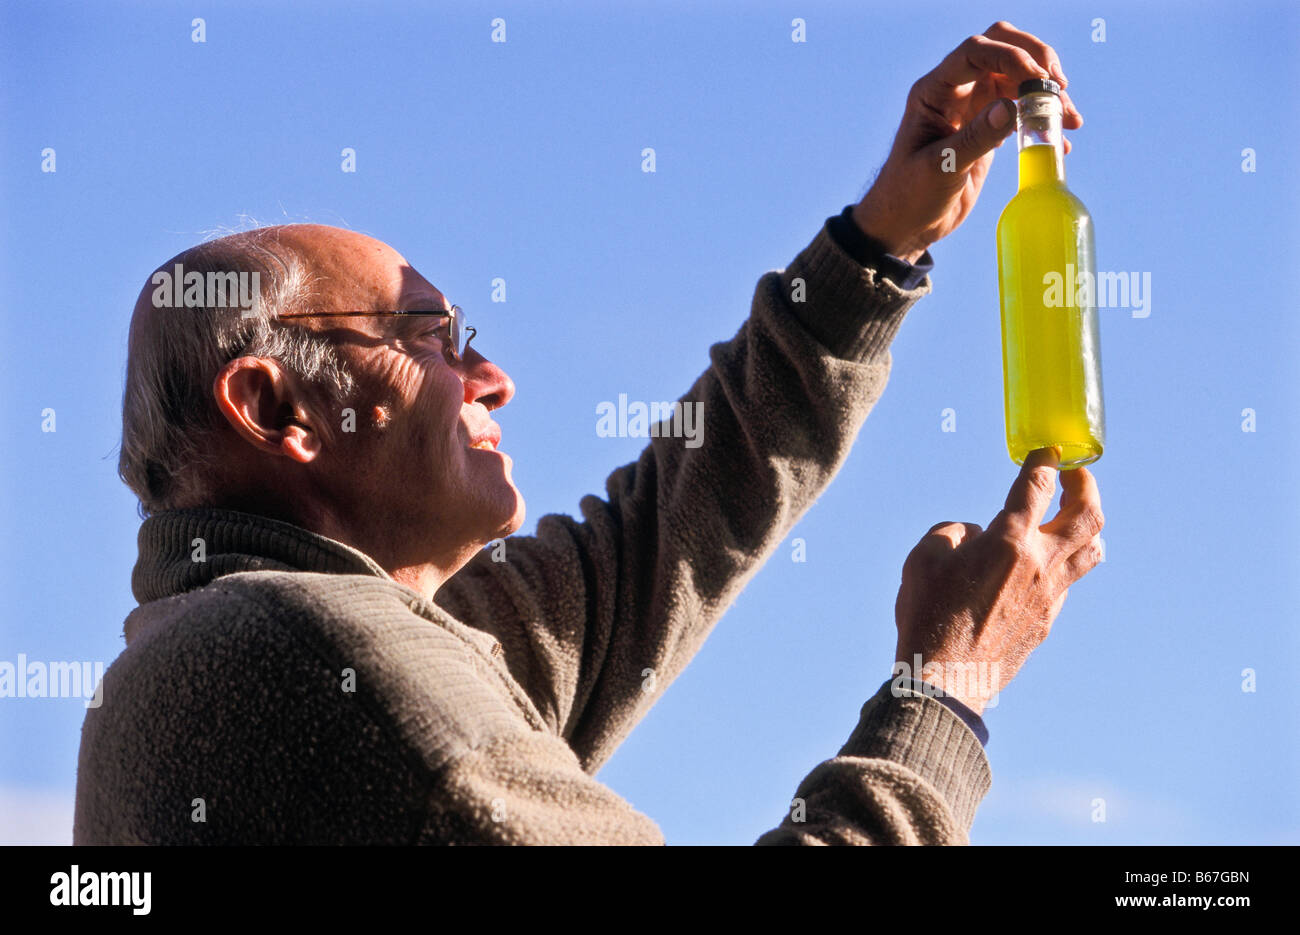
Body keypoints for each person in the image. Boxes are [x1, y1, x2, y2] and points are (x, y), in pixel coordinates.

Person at [74, 22, 1103, 845]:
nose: (493, 378)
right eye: (428, 338)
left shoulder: (268, 642)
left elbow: (668, 535)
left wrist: (876, 243)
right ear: (275, 410)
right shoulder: (329, 667)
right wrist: (947, 689)